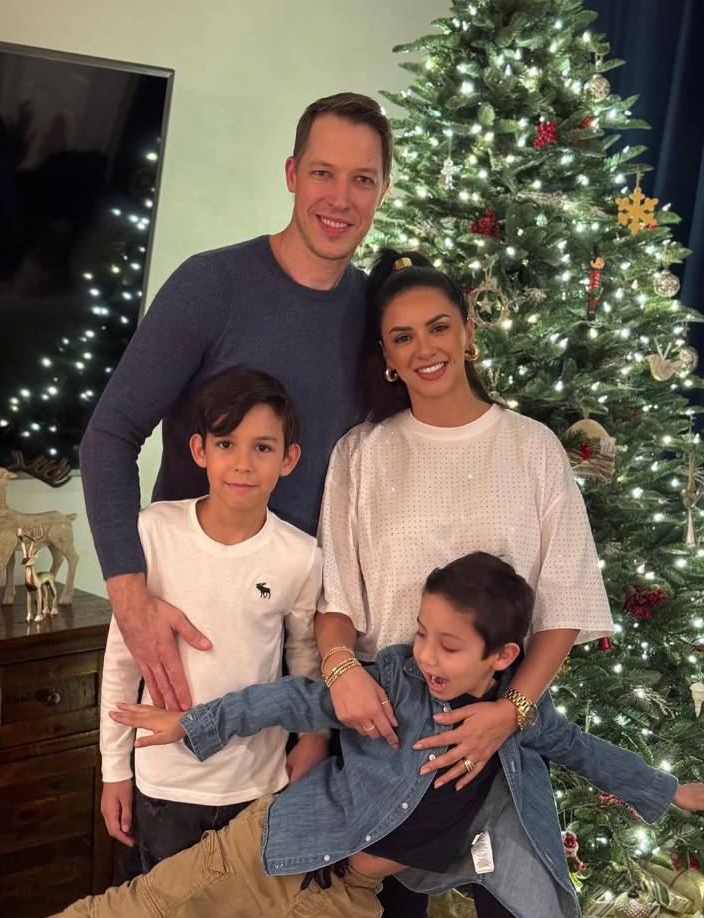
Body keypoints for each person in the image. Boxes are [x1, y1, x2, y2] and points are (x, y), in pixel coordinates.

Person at [55, 552, 704, 918]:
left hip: (349, 896)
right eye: (421, 633)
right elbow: (294, 699)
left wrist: (671, 792)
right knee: (133, 910)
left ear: (501, 657)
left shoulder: (515, 727)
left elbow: (584, 752)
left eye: (448, 645)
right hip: (274, 847)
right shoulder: (394, 685)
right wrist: (191, 724)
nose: (424, 653)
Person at [313, 247, 615, 915]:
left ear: (467, 333)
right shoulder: (361, 454)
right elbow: (334, 602)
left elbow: (561, 602)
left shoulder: (531, 447)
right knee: (382, 904)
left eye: (439, 326)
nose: (424, 347)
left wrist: (507, 716)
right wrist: (341, 672)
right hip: (388, 737)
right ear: (387, 357)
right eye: (402, 336)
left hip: (496, 729)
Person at [79, 92, 391, 717]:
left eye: (362, 180)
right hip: (189, 628)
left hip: (304, 641)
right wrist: (131, 600)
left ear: (382, 190)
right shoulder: (210, 286)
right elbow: (109, 437)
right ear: (291, 174)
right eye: (323, 173)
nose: (340, 198)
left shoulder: (378, 315)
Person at [99, 369, 324, 872]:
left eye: (263, 448)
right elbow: (122, 662)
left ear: (289, 459)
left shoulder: (301, 556)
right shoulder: (154, 530)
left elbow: (305, 662)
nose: (243, 464)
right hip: (163, 783)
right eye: (227, 443)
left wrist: (314, 737)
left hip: (257, 783)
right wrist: (114, 770)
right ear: (200, 450)